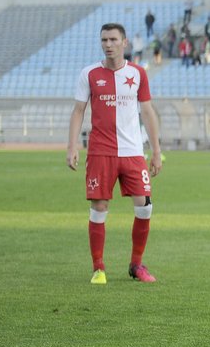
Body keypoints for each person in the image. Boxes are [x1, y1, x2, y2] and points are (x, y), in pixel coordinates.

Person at [67, 23, 162, 285]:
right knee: (99, 208)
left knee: (145, 206)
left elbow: (148, 112)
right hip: (100, 152)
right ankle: (98, 268)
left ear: (125, 42)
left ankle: (136, 265)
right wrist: (72, 146)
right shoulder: (89, 73)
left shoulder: (138, 74)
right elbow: (78, 111)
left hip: (132, 152)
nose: (108, 44)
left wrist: (156, 151)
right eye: (104, 40)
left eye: (113, 39)